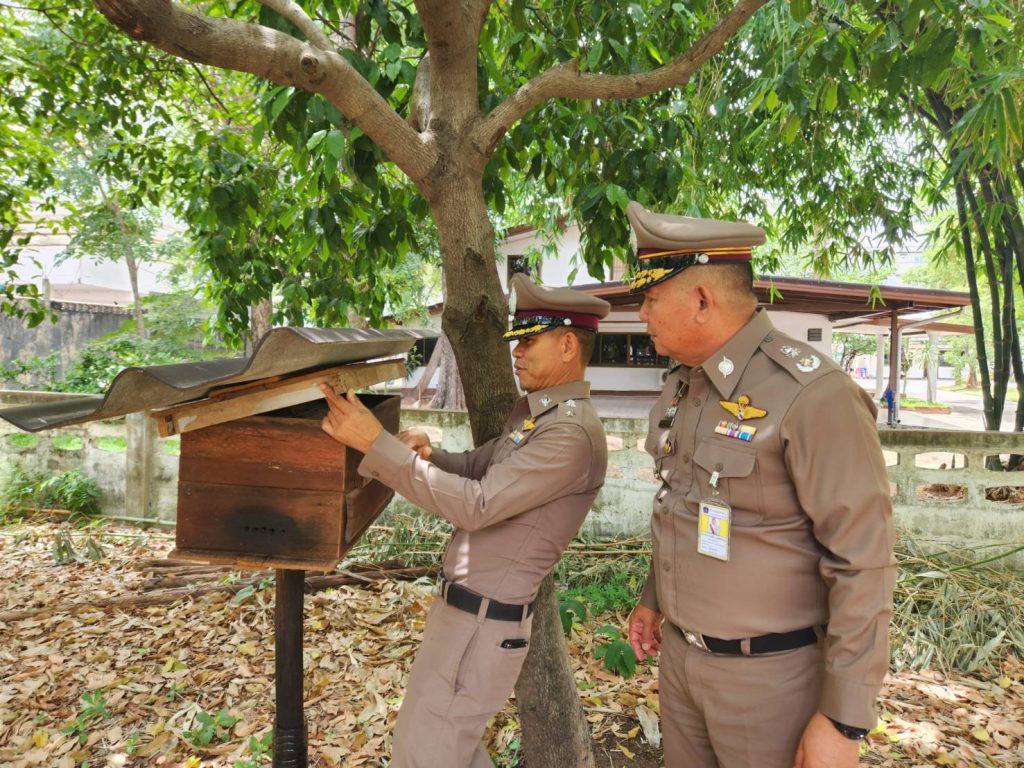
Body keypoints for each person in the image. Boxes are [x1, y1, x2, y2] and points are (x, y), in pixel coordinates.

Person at [623, 200, 896, 768]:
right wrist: (654, 599)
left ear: (702, 300)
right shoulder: (684, 384)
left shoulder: (813, 394)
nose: (642, 313)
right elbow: (682, 504)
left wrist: (843, 719)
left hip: (771, 682)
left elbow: (863, 561)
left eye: (651, 298)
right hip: (682, 664)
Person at [317, 272, 610, 768]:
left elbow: (476, 504)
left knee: (424, 756)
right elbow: (479, 466)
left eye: (529, 342)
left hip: (480, 627)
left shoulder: (570, 434)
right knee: (446, 752)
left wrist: (376, 444)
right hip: (467, 619)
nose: (517, 352)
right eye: (517, 341)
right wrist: (430, 455)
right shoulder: (540, 416)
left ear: (567, 346)